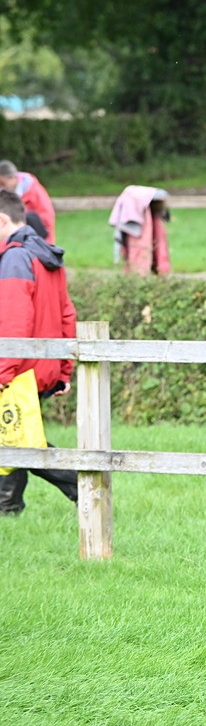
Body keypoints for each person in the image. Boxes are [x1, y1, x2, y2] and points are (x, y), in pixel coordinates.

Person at [0, 189, 78, 514]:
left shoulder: (15, 257)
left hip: (18, 369)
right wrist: (63, 371)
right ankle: (8, 506)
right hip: (40, 366)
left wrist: (2, 372)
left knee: (24, 440)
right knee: (11, 434)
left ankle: (83, 483)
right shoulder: (44, 253)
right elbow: (66, 314)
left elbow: (13, 323)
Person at [0, 161, 56, 244]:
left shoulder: (34, 191)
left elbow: (47, 219)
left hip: (35, 239)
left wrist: (46, 245)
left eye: (2, 183)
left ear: (12, 178)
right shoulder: (5, 193)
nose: (1, 187)